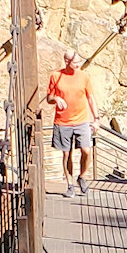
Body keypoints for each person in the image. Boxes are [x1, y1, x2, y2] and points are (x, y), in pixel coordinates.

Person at [46, 48, 97, 196]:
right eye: (75, 62)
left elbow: (91, 98)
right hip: (63, 122)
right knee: (66, 154)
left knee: (86, 150)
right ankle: (70, 185)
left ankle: (81, 176)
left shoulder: (84, 76)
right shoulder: (56, 76)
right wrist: (56, 98)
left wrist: (96, 118)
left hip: (82, 120)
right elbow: (49, 97)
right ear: (67, 62)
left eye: (79, 61)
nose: (78, 64)